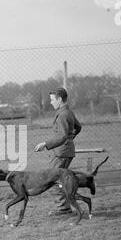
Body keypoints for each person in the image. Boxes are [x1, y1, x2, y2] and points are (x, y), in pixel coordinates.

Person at [34, 87, 81, 215]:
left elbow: (62, 136)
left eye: (52, 100)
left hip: (61, 153)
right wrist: (70, 139)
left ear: (59, 99)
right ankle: (65, 206)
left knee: (53, 179)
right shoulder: (68, 112)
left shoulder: (63, 114)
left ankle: (63, 208)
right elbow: (78, 127)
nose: (51, 102)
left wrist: (45, 144)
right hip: (64, 151)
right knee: (60, 180)